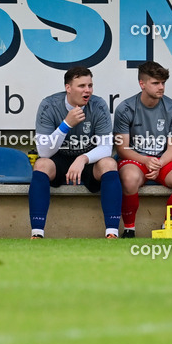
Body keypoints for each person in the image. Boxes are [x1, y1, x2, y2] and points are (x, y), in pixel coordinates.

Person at [29, 66, 122, 238]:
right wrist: (66, 125)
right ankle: (37, 233)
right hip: (59, 160)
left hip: (87, 162)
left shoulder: (99, 105)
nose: (87, 90)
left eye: (90, 85)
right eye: (81, 86)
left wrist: (83, 158)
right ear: (68, 88)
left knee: (109, 163)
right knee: (41, 165)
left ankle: (112, 232)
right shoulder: (49, 105)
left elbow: (106, 148)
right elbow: (43, 151)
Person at [113, 61, 172, 237]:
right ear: (142, 84)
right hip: (135, 160)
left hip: (162, 160)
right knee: (129, 177)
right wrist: (146, 161)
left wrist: (159, 164)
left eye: (163, 83)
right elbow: (122, 148)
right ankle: (129, 228)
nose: (161, 87)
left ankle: (169, 224)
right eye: (156, 83)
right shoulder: (126, 108)